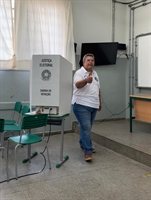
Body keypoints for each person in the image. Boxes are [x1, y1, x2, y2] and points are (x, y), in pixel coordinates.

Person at [71, 53, 102, 161]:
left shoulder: (95, 73)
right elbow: (77, 85)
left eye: (92, 60)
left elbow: (98, 89)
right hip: (81, 105)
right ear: (83, 62)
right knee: (86, 128)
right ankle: (88, 151)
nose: (90, 62)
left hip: (93, 105)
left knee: (86, 128)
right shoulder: (79, 73)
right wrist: (85, 80)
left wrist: (99, 103)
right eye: (88, 60)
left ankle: (82, 144)